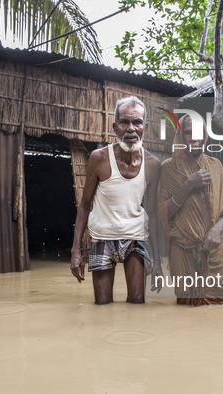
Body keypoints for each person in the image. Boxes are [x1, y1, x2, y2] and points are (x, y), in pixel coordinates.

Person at [70, 96, 163, 304]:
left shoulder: (153, 165)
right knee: (102, 305)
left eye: (137, 122)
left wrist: (157, 261)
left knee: (137, 304)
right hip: (102, 236)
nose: (131, 128)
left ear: (144, 127)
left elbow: (153, 213)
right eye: (124, 122)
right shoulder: (99, 158)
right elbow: (84, 206)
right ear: (115, 127)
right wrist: (76, 251)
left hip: (136, 237)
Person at [157, 114, 223, 306]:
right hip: (183, 251)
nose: (193, 137)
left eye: (198, 132)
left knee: (221, 306)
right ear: (180, 137)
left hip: (215, 250)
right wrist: (187, 186)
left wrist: (217, 230)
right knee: (186, 307)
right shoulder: (168, 168)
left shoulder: (216, 166)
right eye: (188, 133)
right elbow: (163, 212)